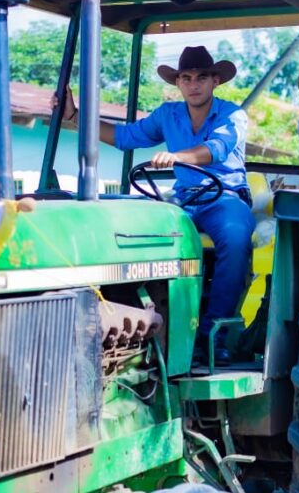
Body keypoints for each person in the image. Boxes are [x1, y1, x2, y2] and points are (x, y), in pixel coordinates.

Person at [60, 45, 254, 363]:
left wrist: (178, 156)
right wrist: (74, 116)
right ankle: (148, 324)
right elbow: (124, 137)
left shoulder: (232, 115)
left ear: (215, 80)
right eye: (186, 78)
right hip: (184, 201)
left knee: (234, 235)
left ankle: (213, 334)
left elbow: (216, 149)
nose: (194, 84)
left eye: (201, 77)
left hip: (225, 198)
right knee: (137, 231)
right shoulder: (168, 115)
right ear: (178, 83)